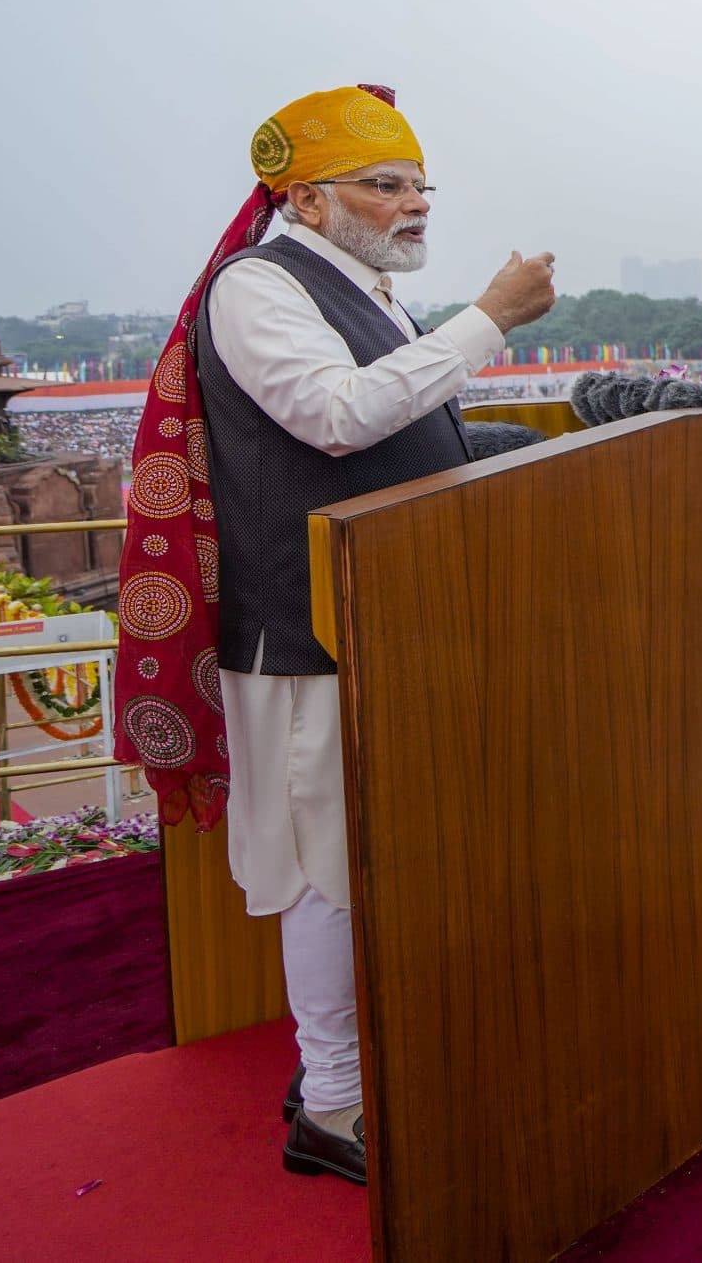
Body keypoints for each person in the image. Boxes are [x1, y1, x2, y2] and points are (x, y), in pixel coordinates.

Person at [112, 86, 556, 1187]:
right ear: (303, 197)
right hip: (306, 631)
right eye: (385, 184)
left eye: (419, 187)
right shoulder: (258, 286)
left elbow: (413, 435)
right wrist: (489, 318)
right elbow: (338, 417)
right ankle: (334, 1106)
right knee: (325, 873)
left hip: (383, 619)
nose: (414, 207)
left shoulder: (365, 291)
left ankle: (352, 1075)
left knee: (371, 861)